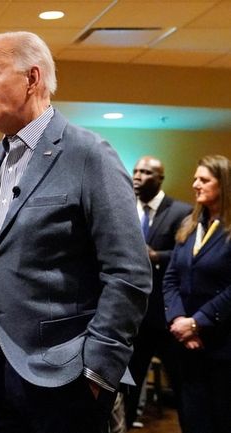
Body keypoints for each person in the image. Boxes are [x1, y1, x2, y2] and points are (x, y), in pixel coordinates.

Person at [0, 31, 151, 433]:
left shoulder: (88, 154)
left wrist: (99, 369)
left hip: (67, 380)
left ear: (32, 79)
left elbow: (128, 272)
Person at [162, 155, 231, 433]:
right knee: (191, 418)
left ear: (224, 185)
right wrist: (179, 319)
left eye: (204, 179)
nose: (195, 184)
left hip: (222, 344)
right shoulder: (190, 225)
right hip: (186, 343)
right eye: (195, 178)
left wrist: (197, 322)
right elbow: (170, 278)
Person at [125, 155, 192, 428]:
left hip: (166, 316)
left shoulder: (181, 211)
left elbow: (186, 256)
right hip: (134, 317)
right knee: (128, 385)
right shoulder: (125, 207)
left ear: (160, 178)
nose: (138, 176)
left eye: (146, 172)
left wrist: (156, 257)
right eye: (136, 171)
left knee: (182, 385)